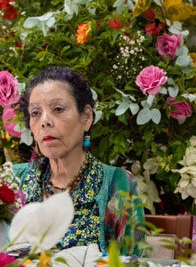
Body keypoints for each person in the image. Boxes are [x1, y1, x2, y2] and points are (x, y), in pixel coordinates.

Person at [14, 66, 144, 252]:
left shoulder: (118, 184)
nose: (45, 121)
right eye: (35, 113)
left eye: (58, 109)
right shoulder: (14, 180)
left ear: (86, 117)